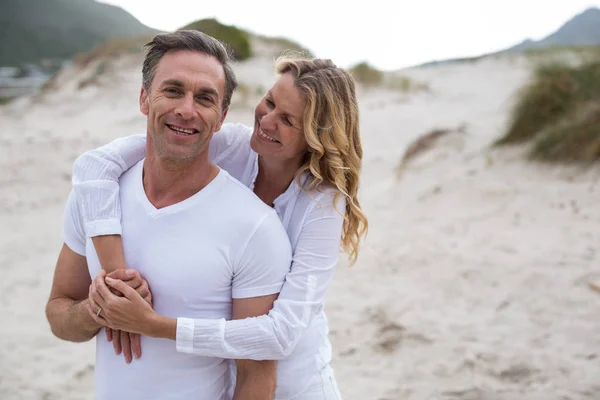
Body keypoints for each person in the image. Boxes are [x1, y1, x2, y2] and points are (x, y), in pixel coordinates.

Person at [72, 50, 368, 399]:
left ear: (315, 137)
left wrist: (154, 325)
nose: (267, 120)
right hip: (231, 382)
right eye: (269, 102)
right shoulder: (232, 146)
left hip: (297, 385)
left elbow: (282, 334)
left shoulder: (322, 204)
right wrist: (119, 280)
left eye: (287, 120)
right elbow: (94, 165)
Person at [46, 30, 294, 400]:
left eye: (205, 98)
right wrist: (97, 309)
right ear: (145, 98)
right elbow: (58, 314)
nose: (186, 109)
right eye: (173, 90)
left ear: (222, 116)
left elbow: (256, 375)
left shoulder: (254, 227)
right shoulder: (97, 197)